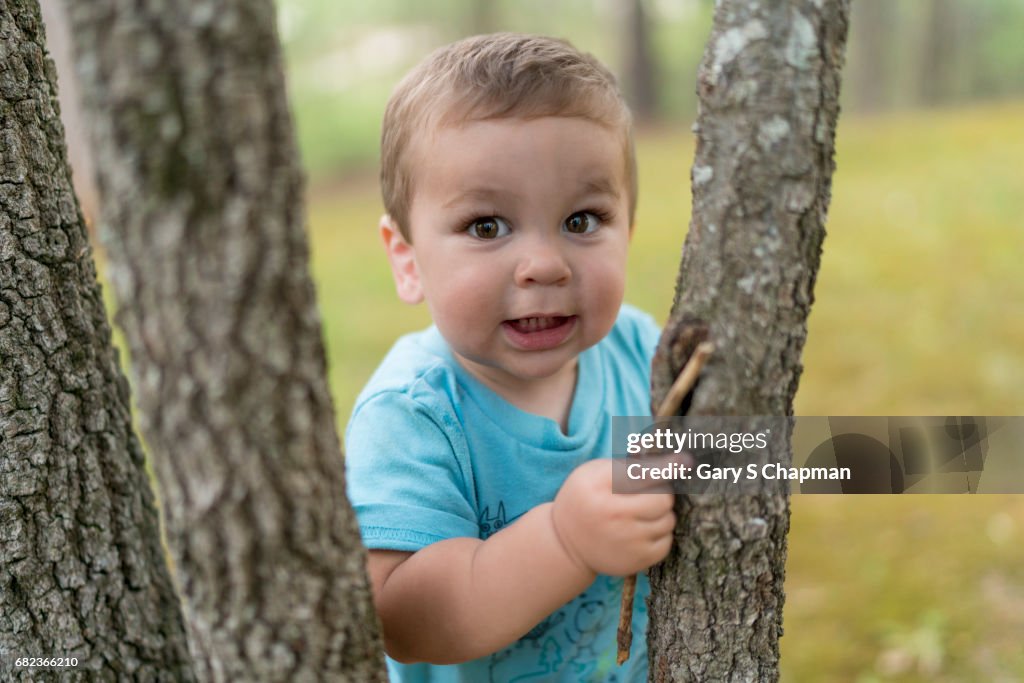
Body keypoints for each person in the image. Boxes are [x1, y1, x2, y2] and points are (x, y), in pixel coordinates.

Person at [344, 32, 676, 682]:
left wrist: (913, 453)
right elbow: (402, 616)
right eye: (486, 226)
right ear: (407, 257)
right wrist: (566, 539)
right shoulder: (414, 413)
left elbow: (731, 461)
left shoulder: (639, 350)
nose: (545, 265)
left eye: (582, 219)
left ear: (627, 231)